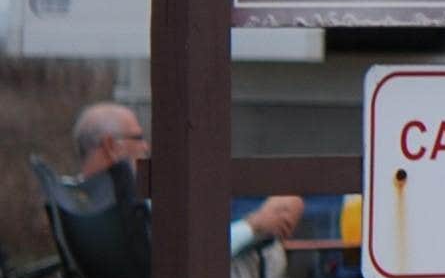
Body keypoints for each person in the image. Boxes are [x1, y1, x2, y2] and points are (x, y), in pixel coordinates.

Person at [75, 102, 302, 257]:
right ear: (110, 146)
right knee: (270, 254)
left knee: (280, 211)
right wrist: (255, 224)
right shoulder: (121, 202)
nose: (146, 147)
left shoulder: (85, 201)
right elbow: (189, 254)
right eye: (138, 137)